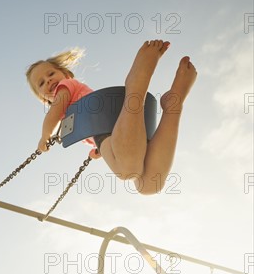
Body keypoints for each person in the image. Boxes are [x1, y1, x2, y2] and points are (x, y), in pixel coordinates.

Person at [26, 40, 197, 195]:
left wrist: (45, 136)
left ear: (66, 74)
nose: (48, 81)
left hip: (106, 127)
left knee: (127, 170)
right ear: (42, 97)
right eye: (41, 83)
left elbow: (54, 114)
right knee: (150, 185)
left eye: (50, 74)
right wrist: (99, 151)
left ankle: (136, 86)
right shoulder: (74, 105)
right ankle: (173, 105)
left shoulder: (64, 87)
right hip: (127, 124)